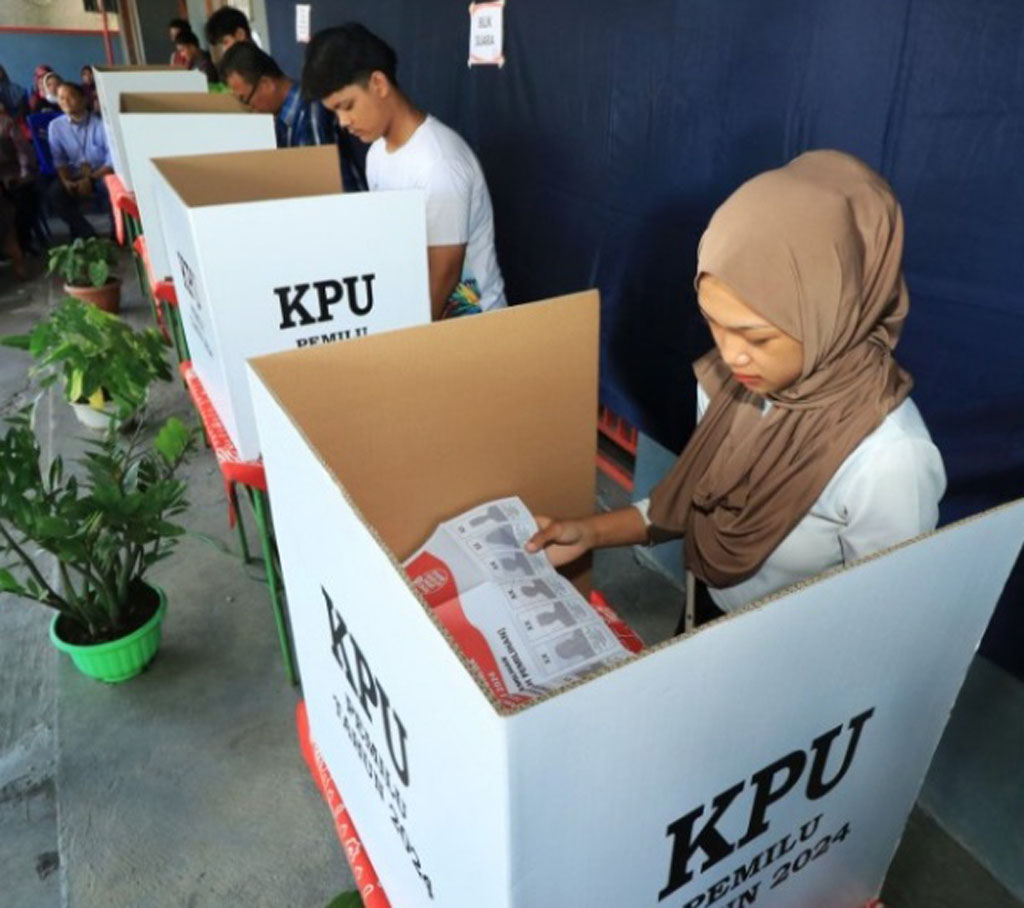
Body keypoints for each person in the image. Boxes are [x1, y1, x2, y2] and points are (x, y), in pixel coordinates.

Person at [525, 150, 947, 626]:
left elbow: (881, 627)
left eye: (757, 337)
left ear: (835, 312)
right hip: (702, 611)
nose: (730, 356)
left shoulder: (889, 462)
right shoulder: (734, 384)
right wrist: (589, 533)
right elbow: (696, 500)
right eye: (713, 322)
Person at [303, 24, 506, 320]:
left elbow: (444, 274)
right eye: (334, 112)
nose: (343, 121)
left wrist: (403, 339)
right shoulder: (376, 154)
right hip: (420, 313)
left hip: (473, 325)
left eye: (347, 106)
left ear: (378, 83)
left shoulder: (439, 164)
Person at [219, 41, 365, 189]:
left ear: (266, 84)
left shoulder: (310, 114)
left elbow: (321, 185)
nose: (250, 108)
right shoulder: (283, 118)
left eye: (245, 100)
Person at [46, 82, 113, 239]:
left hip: (101, 173)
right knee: (55, 193)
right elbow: (59, 159)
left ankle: (116, 234)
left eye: (70, 97)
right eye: (61, 98)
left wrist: (91, 179)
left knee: (110, 188)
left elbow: (112, 159)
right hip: (74, 174)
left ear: (83, 99)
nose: (66, 102)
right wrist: (66, 181)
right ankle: (87, 234)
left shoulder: (101, 124)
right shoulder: (55, 127)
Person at [0, 103, 42, 255]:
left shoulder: (6, 123)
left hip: (14, 172)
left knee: (25, 199)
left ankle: (23, 242)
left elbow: (22, 151)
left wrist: (23, 174)